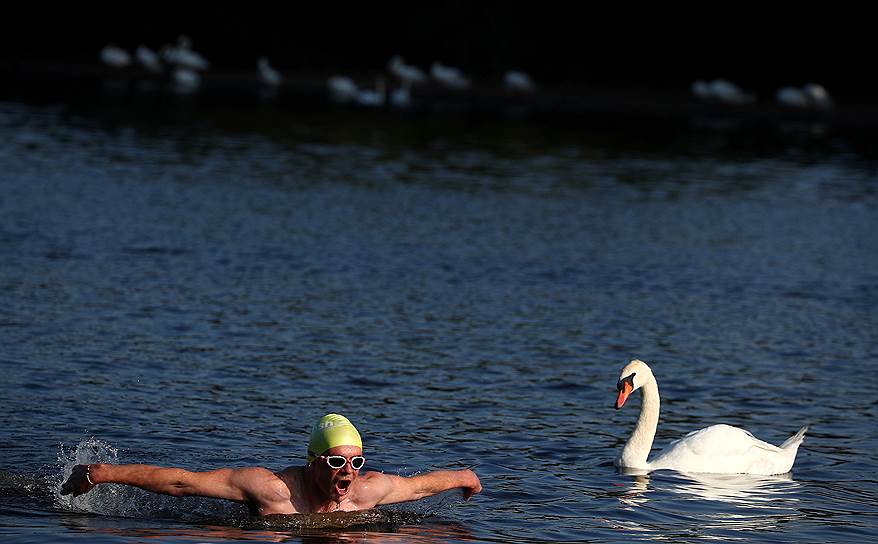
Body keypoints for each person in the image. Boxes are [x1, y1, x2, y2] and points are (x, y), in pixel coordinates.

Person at [60, 414, 482, 516]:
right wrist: (102, 473)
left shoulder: (366, 492)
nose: (347, 471)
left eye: (355, 462)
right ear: (314, 461)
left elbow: (420, 486)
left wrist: (464, 477)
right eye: (336, 461)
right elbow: (183, 483)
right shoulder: (273, 489)